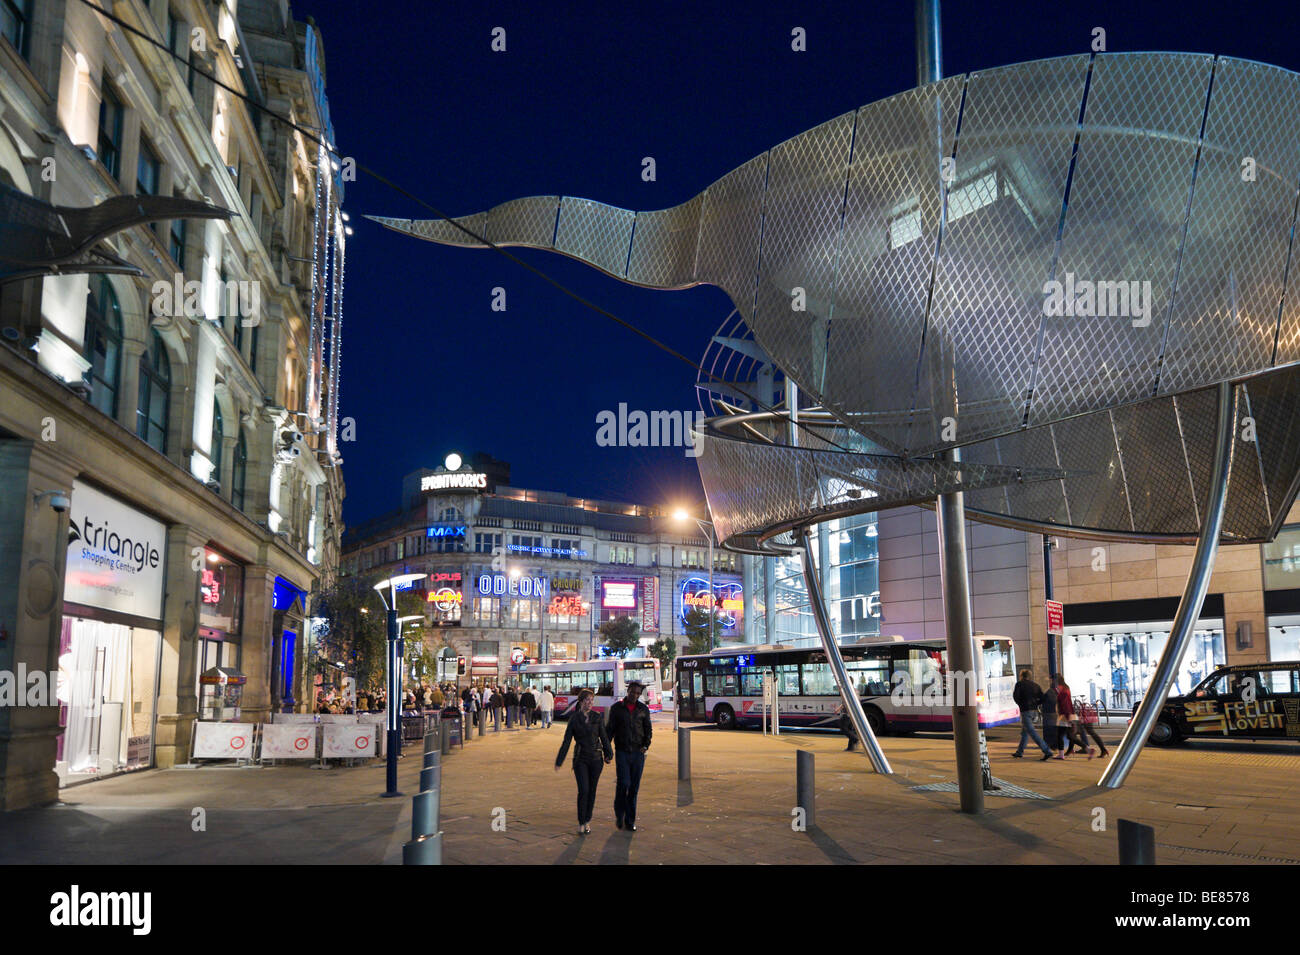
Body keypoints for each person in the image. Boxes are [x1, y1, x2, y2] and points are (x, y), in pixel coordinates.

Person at [554, 689, 613, 834]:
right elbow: (566, 741)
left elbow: (604, 737)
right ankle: (581, 821)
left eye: (592, 700)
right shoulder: (574, 719)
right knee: (584, 790)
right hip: (581, 759)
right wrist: (559, 760)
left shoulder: (597, 717)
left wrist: (609, 753)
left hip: (596, 759)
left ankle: (587, 820)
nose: (590, 703)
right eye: (587, 700)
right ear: (581, 702)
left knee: (592, 791)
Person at [605, 679, 653, 832]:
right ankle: (619, 814)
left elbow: (648, 730)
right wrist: (607, 751)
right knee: (623, 784)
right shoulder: (617, 708)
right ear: (628, 691)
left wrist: (646, 746)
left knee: (633, 788)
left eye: (638, 693)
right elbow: (609, 730)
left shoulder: (643, 709)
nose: (635, 695)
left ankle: (630, 820)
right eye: (633, 692)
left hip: (638, 753)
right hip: (622, 752)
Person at [1011, 669, 1053, 760]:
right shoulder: (1035, 685)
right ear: (1029, 676)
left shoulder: (1019, 684)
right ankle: (1019, 752)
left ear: (1021, 676)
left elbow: (1015, 697)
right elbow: (1042, 698)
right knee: (1025, 732)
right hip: (1034, 711)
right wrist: (1036, 703)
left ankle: (1047, 751)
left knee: (1032, 732)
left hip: (1026, 711)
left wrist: (1021, 704)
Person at [1055, 674, 1094, 758]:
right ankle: (1087, 749)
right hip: (1068, 715)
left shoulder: (1063, 692)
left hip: (1064, 716)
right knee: (1070, 736)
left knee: (1060, 736)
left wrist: (1068, 718)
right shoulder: (1066, 689)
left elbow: (1065, 705)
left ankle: (1061, 755)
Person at [1041, 679, 1063, 759]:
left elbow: (1042, 700)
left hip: (1048, 714)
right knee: (1054, 731)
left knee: (1048, 732)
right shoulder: (1057, 692)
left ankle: (1049, 749)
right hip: (1055, 714)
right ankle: (1054, 747)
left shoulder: (1049, 692)